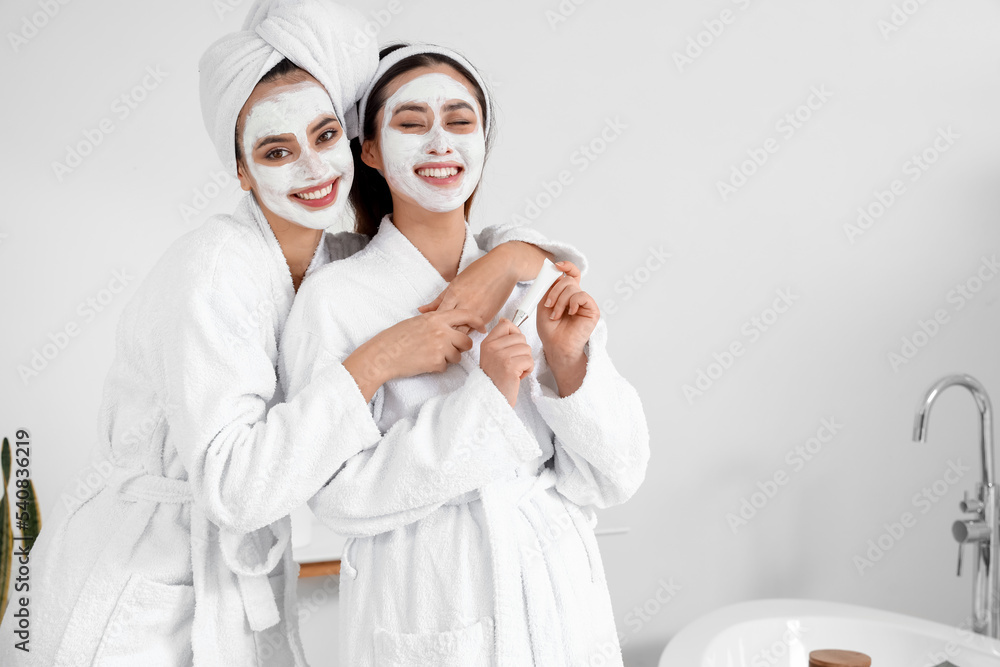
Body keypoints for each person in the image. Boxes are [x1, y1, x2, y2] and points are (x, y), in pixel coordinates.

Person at [0, 3, 586, 665]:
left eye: (324, 134)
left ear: (352, 141)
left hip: (233, 580)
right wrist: (375, 362)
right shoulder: (214, 267)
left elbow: (469, 244)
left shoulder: (335, 259)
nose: (312, 168)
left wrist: (511, 258)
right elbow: (231, 485)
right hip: (128, 589)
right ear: (242, 171)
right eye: (277, 150)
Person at [280, 42, 650, 667]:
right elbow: (337, 495)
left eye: (459, 121)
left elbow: (616, 476)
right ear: (367, 150)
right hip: (429, 595)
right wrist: (487, 401)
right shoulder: (334, 300)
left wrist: (569, 367)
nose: (440, 143)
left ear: (482, 142)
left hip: (555, 592)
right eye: (410, 123)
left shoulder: (535, 281)